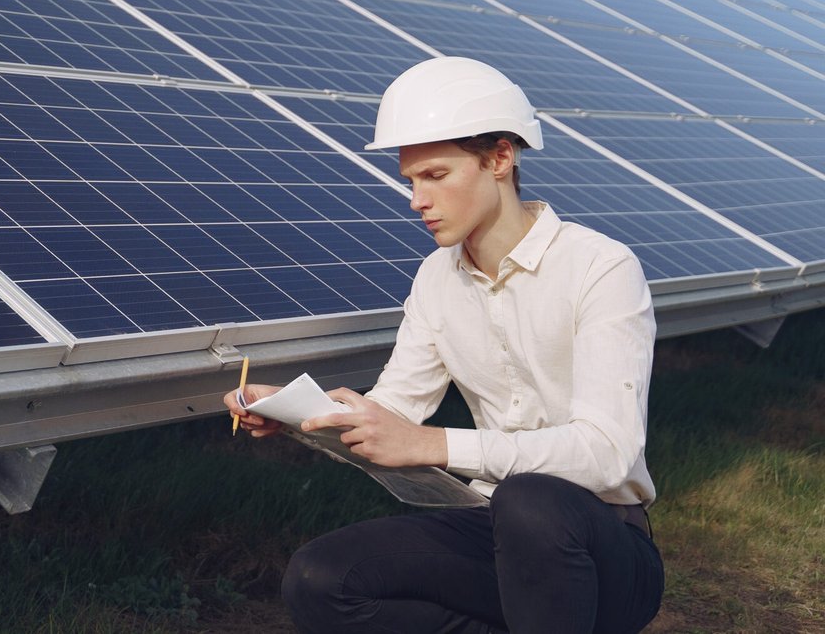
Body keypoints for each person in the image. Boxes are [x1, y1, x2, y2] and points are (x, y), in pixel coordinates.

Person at [225, 56, 663, 633]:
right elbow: (394, 411)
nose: (416, 200)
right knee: (322, 578)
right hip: (493, 530)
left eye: (436, 176)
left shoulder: (600, 267)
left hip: (605, 550)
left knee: (529, 500)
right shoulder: (436, 277)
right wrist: (297, 412)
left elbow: (606, 453)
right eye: (410, 181)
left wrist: (433, 445)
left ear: (500, 158)